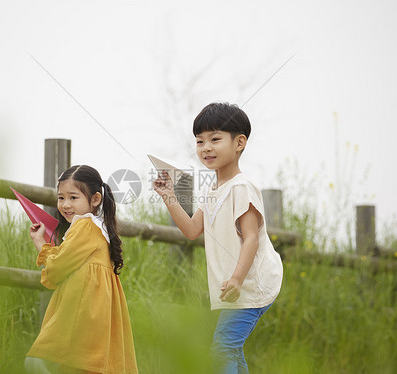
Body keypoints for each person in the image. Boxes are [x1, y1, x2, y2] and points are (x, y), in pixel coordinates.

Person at [153, 102, 283, 373]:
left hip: (250, 284)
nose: (206, 147)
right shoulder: (213, 190)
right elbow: (191, 231)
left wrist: (237, 278)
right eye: (199, 141)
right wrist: (169, 197)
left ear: (239, 142)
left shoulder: (241, 187)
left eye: (215, 139)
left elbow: (251, 239)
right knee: (230, 348)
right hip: (235, 288)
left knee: (222, 348)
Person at [25, 165, 138, 374]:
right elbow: (62, 262)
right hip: (93, 318)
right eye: (61, 198)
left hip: (80, 315)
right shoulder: (97, 228)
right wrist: (40, 241)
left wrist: (40, 243)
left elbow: (57, 268)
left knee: (36, 362)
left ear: (95, 199)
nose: (65, 204)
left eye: (73, 198)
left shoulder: (84, 226)